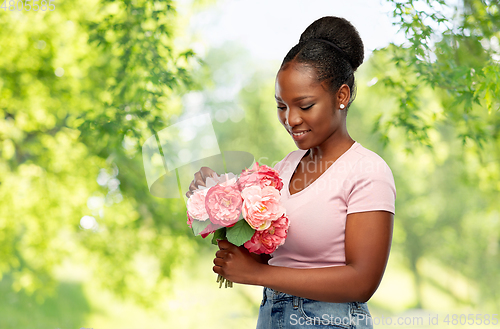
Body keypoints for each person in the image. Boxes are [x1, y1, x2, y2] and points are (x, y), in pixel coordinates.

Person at [186, 16, 396, 329]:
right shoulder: (284, 167)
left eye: (305, 105)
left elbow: (362, 281)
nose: (291, 119)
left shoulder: (367, 171)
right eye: (281, 106)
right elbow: (267, 257)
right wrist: (218, 206)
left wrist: (257, 275)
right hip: (273, 316)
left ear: (341, 96)